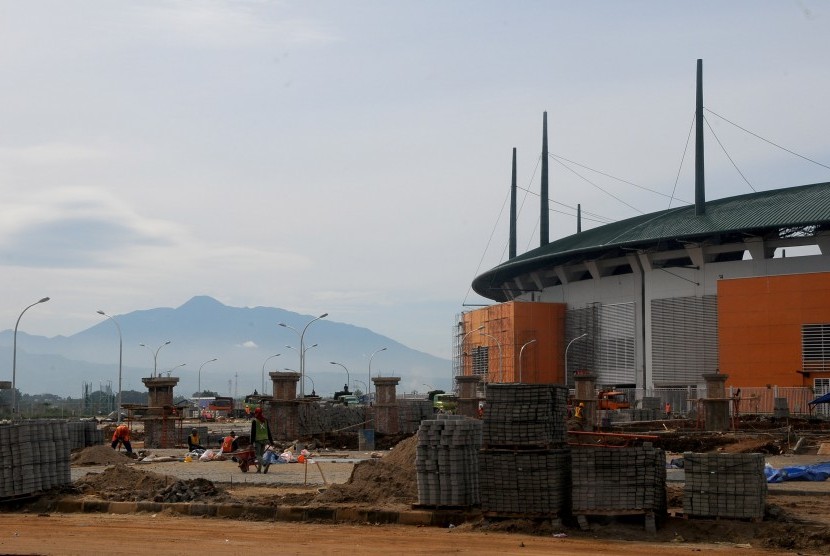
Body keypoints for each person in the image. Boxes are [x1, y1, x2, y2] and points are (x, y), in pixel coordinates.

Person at [250, 407, 274, 473]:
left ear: (256, 413)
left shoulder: (254, 421)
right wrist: (271, 441)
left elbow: (253, 433)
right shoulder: (265, 420)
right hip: (265, 440)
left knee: (257, 455)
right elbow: (268, 431)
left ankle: (265, 464)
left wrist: (251, 443)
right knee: (261, 455)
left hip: (258, 440)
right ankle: (259, 469)